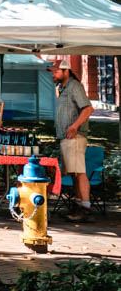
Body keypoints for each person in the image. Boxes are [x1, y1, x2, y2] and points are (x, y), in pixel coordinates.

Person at [52, 58, 95, 222]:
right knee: (74, 173)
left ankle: (86, 208)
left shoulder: (74, 86)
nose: (53, 74)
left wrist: (74, 126)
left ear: (66, 71)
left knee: (79, 172)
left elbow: (88, 108)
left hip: (74, 137)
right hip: (66, 137)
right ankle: (78, 207)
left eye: (56, 71)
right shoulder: (62, 88)